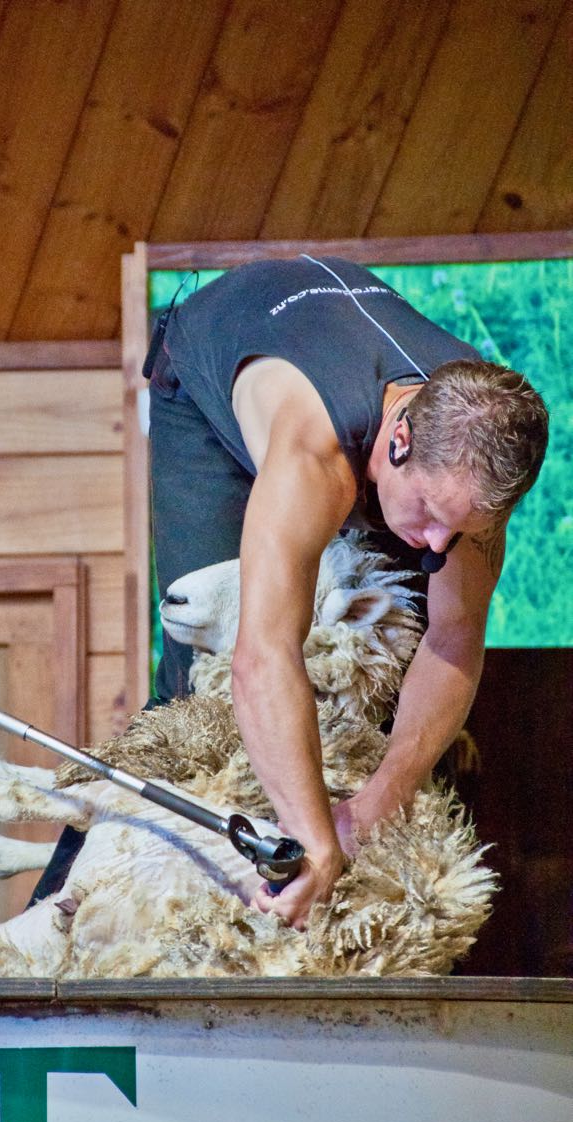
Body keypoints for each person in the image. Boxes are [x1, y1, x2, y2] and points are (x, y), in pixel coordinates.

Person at [146, 255, 548, 931]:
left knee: (400, 643)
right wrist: (314, 837)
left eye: (465, 526)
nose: (438, 543)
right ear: (398, 441)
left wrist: (375, 805)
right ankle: (70, 901)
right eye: (429, 512)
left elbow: (454, 642)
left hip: (353, 379)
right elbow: (262, 656)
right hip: (209, 377)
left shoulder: (470, 465)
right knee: (200, 677)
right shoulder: (314, 454)